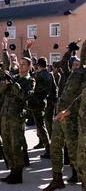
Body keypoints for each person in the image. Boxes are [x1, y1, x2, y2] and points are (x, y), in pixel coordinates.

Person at [43, 40, 86, 191]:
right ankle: (57, 179)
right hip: (60, 115)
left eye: (77, 64)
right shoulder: (71, 73)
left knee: (75, 153)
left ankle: (80, 178)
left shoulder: (84, 74)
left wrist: (69, 111)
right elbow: (63, 62)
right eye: (73, 64)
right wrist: (70, 50)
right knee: (55, 147)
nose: (74, 66)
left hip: (72, 117)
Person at [0, 56, 35, 184]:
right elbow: (0, 90)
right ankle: (12, 171)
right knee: (7, 146)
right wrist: (6, 83)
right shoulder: (13, 77)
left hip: (17, 118)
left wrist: (14, 84)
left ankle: (18, 174)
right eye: (20, 64)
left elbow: (24, 96)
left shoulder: (30, 81)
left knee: (16, 147)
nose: (21, 66)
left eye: (24, 64)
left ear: (29, 67)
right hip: (5, 116)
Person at [24, 40, 56, 159]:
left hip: (37, 102)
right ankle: (44, 144)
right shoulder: (50, 74)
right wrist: (54, 100)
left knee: (41, 126)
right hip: (46, 101)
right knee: (43, 125)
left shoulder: (38, 75)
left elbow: (30, 65)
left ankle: (48, 149)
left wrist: (27, 50)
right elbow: (54, 89)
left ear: (38, 65)